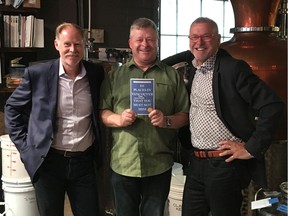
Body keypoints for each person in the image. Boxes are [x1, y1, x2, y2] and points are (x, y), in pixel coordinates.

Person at [162, 17, 285, 216]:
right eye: (194, 37)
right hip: (196, 163)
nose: (199, 42)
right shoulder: (194, 65)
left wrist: (250, 148)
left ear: (218, 39)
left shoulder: (232, 69)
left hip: (224, 165)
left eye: (206, 36)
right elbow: (172, 60)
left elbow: (273, 105)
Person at [4, 22, 105, 216]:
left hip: (84, 163)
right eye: (67, 44)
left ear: (83, 45)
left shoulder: (95, 73)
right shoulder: (38, 74)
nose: (72, 50)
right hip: (49, 162)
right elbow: (12, 108)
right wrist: (25, 148)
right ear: (56, 44)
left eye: (77, 44)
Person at [99, 17, 189, 216]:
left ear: (157, 42)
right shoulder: (115, 76)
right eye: (139, 39)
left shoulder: (172, 76)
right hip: (124, 162)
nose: (145, 44)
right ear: (130, 43)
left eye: (150, 39)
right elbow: (103, 113)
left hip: (159, 163)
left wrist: (166, 120)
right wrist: (119, 119)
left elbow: (184, 115)